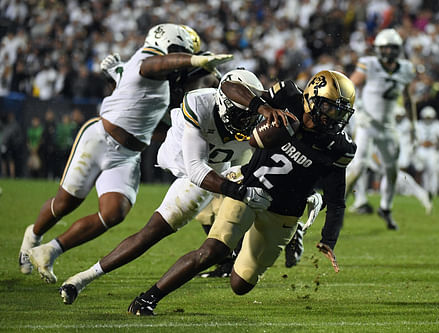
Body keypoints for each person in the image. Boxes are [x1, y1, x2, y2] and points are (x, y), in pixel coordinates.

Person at [125, 69, 357, 316]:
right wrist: (263, 108)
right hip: (248, 188)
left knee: (240, 284)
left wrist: (329, 239)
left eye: (341, 112)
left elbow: (336, 200)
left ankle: (288, 233)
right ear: (312, 98)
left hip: (284, 213)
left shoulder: (340, 147)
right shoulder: (287, 96)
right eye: (330, 108)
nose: (335, 117)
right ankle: (147, 299)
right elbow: (228, 87)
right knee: (213, 251)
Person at [19, 23, 233, 283]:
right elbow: (154, 67)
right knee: (65, 203)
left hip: (128, 155)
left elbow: (153, 95)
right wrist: (195, 59)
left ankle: (50, 250)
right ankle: (34, 234)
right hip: (100, 139)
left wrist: (202, 70)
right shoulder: (145, 59)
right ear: (167, 44)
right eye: (178, 52)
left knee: (113, 214)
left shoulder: (164, 82)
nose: (178, 63)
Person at [59, 69, 295, 304]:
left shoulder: (257, 109)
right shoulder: (200, 102)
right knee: (152, 233)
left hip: (225, 167)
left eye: (249, 116)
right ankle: (82, 278)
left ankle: (292, 231)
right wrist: (239, 191)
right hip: (188, 166)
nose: (245, 122)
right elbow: (196, 169)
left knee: (246, 213)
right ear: (224, 105)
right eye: (240, 115)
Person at [345, 28, 417, 230]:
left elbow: (409, 99)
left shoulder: (405, 69)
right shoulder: (369, 64)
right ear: (378, 49)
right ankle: (337, 206)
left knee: (392, 170)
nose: (388, 52)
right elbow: (349, 86)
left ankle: (385, 207)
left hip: (388, 126)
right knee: (358, 167)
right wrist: (357, 109)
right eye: (384, 48)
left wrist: (413, 125)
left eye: (392, 48)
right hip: (367, 123)